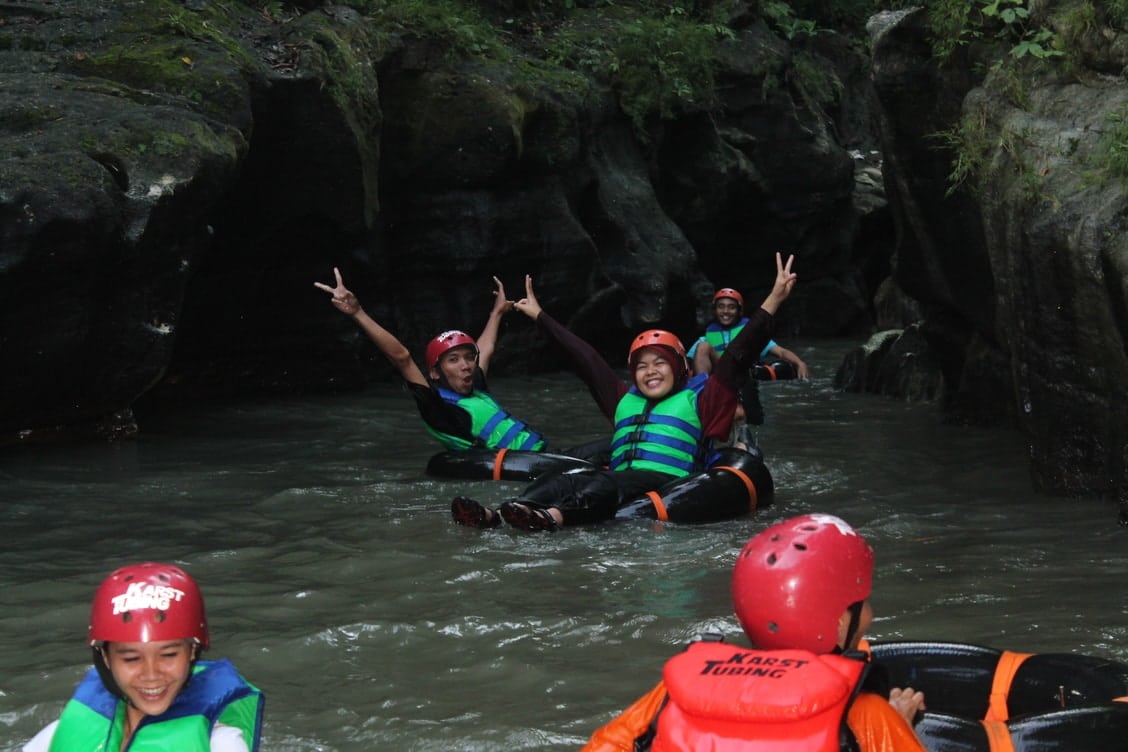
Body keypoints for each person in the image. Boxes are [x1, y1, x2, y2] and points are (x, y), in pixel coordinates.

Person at [450, 253, 797, 531]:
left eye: (660, 363)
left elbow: (739, 356)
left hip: (663, 481)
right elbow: (585, 359)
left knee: (604, 486)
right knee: (561, 481)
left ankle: (553, 519)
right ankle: (496, 516)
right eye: (642, 366)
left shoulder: (701, 400)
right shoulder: (622, 398)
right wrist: (541, 317)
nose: (650, 371)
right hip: (619, 476)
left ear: (680, 370)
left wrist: (774, 300)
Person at [582, 514, 928, 752]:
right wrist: (900, 725)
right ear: (839, 625)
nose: (871, 613)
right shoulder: (862, 713)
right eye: (863, 602)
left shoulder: (673, 694)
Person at [23, 562, 263, 752]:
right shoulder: (56, 735)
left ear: (192, 651)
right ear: (105, 658)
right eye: (131, 659)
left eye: (168, 655)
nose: (151, 675)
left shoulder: (221, 744)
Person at [314, 267, 552, 453]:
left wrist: (497, 313)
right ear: (435, 372)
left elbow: (485, 349)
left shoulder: (474, 386)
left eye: (469, 358)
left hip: (539, 453)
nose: (466, 365)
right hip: (518, 463)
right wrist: (357, 313)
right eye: (453, 359)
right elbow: (402, 358)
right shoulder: (439, 409)